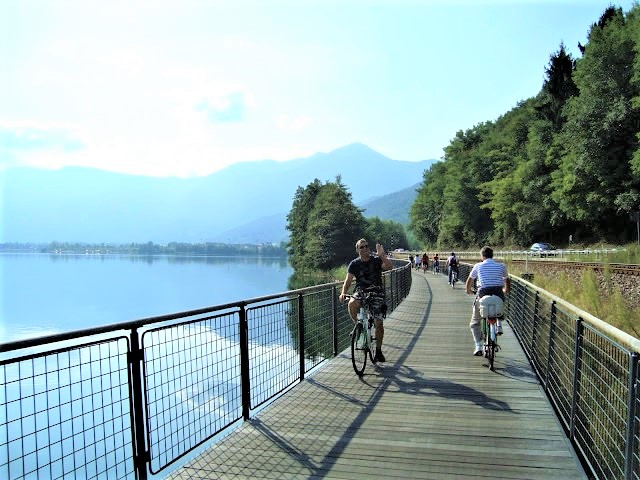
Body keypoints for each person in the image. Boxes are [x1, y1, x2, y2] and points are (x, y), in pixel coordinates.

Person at [339, 239, 393, 362]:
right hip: (361, 292)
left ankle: (378, 351)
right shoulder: (354, 264)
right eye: (361, 247)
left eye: (366, 246)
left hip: (377, 292)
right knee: (351, 303)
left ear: (369, 247)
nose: (364, 249)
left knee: (378, 323)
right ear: (357, 250)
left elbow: (390, 267)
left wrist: (382, 256)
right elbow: (348, 280)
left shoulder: (376, 260)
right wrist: (343, 293)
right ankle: (358, 326)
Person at [465, 246, 511, 356]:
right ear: (492, 255)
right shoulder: (501, 266)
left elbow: (469, 280)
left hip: (483, 293)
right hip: (498, 293)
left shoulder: (478, 265)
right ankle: (498, 324)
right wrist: (506, 290)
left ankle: (478, 346)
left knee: (475, 322)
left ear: (482, 256)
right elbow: (507, 280)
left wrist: (468, 290)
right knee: (500, 304)